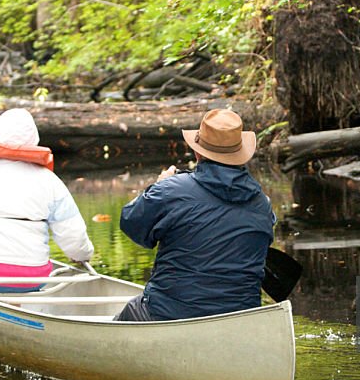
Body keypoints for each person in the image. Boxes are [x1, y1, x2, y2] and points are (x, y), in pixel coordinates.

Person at [115, 108, 275, 321]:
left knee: (129, 314)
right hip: (241, 319)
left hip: (170, 314)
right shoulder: (263, 204)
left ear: (198, 152)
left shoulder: (170, 191)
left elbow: (131, 224)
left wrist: (158, 186)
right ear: (240, 155)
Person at [0, 108, 94, 292]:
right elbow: (73, 235)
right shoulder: (50, 181)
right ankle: (15, 306)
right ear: (34, 139)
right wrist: (81, 255)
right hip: (34, 278)